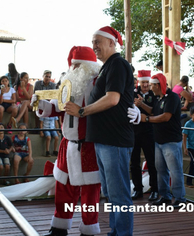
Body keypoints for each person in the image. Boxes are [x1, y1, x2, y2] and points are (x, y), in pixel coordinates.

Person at [65, 26, 135, 235]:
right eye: (93, 41)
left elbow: (112, 99)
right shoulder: (108, 67)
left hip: (114, 140)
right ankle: (116, 231)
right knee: (111, 194)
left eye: (98, 41)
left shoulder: (118, 64)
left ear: (112, 43)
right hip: (104, 140)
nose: (94, 46)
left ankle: (122, 233)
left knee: (118, 194)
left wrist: (82, 111)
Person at [36, 46, 102, 236]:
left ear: (90, 66)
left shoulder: (98, 83)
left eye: (79, 64)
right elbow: (55, 108)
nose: (75, 68)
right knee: (63, 188)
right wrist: (40, 103)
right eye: (73, 64)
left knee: (90, 192)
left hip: (89, 145)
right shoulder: (67, 83)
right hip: (68, 144)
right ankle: (59, 227)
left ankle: (89, 230)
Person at [139, 73, 186, 208]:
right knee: (161, 170)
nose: (150, 87)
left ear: (159, 85)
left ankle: (180, 199)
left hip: (171, 140)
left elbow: (165, 117)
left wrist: (146, 119)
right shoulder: (158, 98)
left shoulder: (172, 97)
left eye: (153, 84)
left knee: (175, 170)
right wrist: (141, 105)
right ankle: (165, 196)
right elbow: (155, 112)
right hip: (159, 140)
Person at [131, 70, 158, 201]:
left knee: (152, 162)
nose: (145, 85)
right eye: (143, 82)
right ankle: (138, 189)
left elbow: (154, 112)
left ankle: (154, 190)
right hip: (134, 132)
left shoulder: (154, 94)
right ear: (139, 83)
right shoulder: (132, 94)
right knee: (134, 163)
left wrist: (142, 104)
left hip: (149, 132)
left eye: (147, 82)